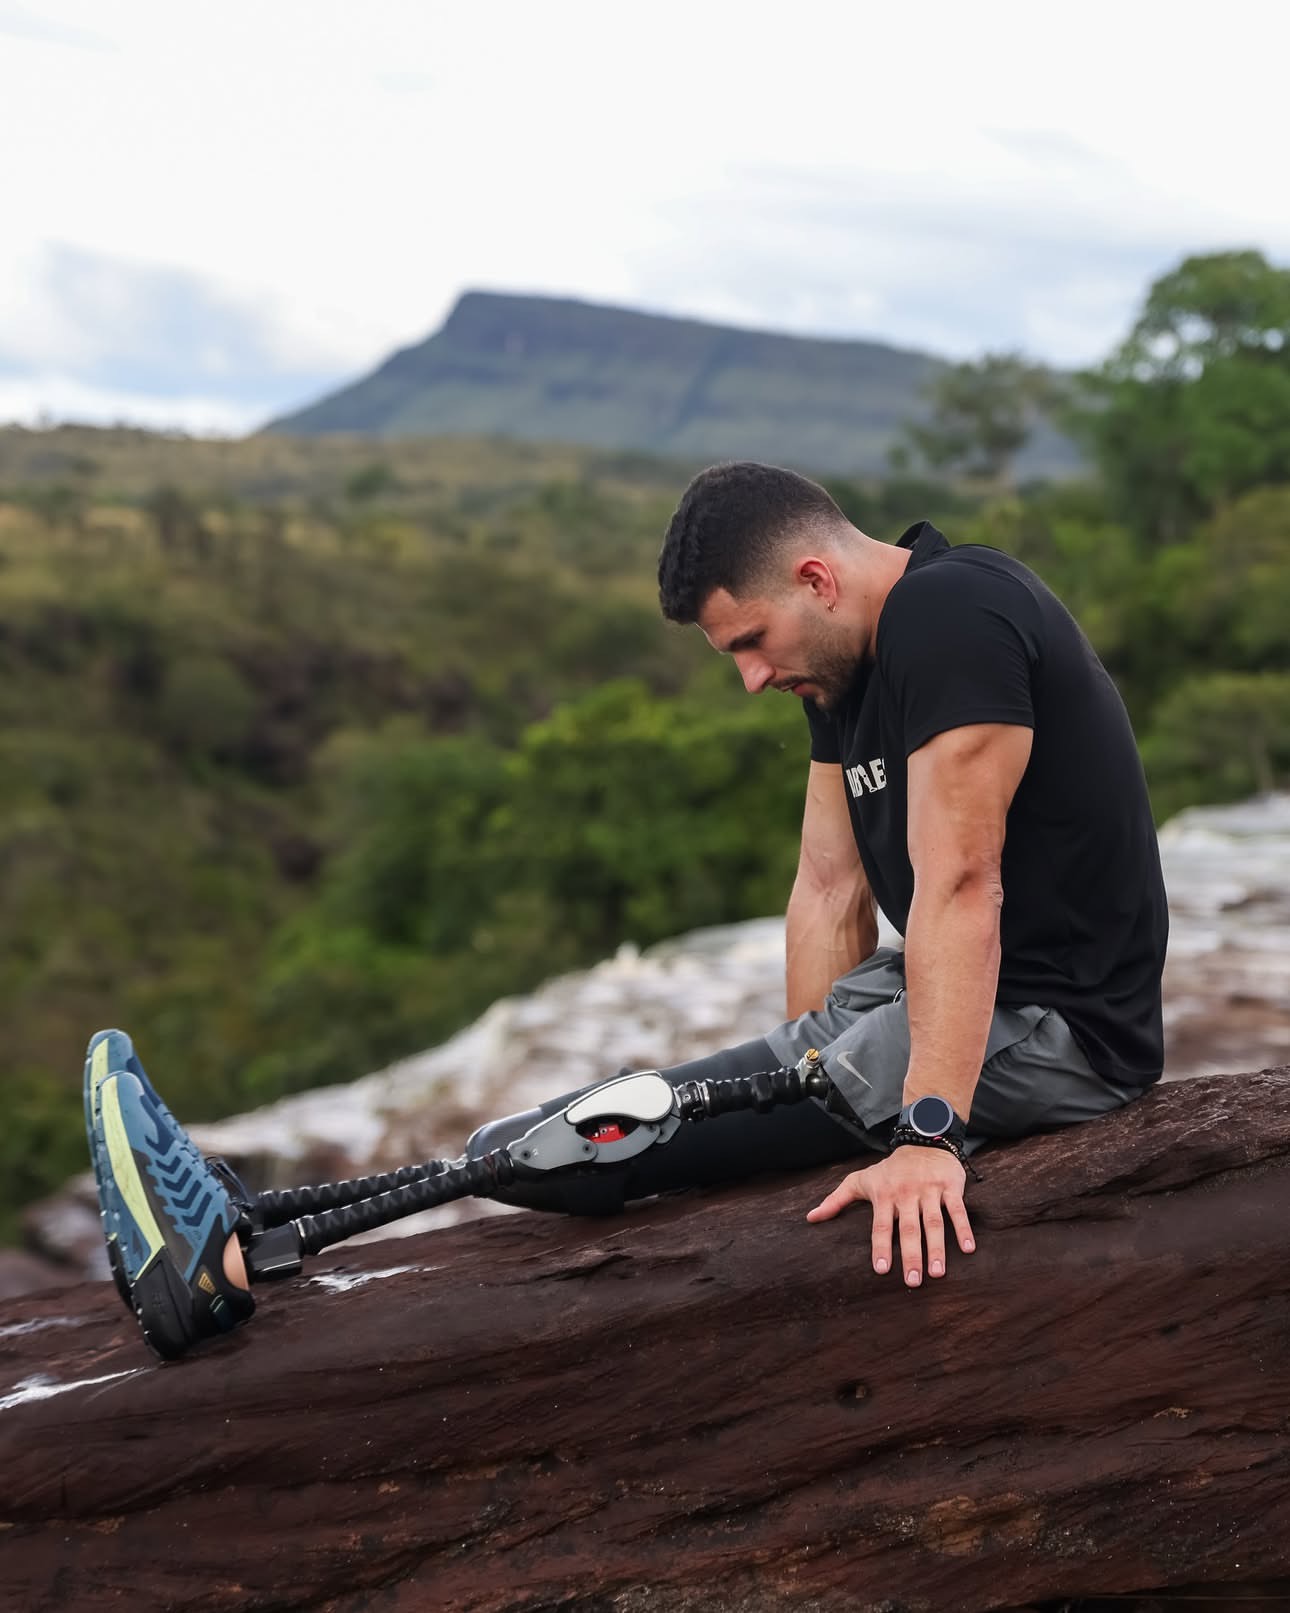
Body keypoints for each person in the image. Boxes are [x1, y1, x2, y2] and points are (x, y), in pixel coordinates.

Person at [86, 462, 1168, 1360]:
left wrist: (927, 1133)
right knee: (548, 1135)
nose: (749, 678)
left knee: (593, 1146)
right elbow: (829, 887)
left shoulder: (953, 614)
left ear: (815, 577)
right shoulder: (845, 668)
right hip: (945, 1001)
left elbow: (962, 883)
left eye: (750, 643)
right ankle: (253, 1215)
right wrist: (803, 1093)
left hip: (1051, 1033)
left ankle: (219, 1267)